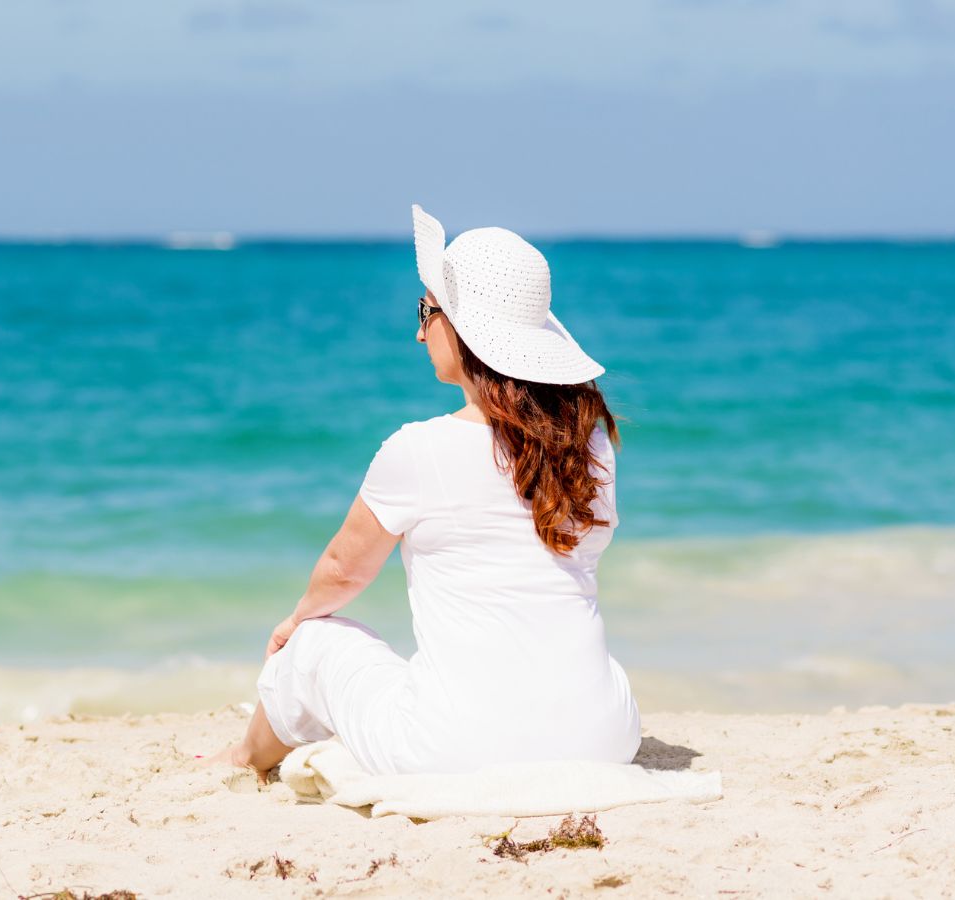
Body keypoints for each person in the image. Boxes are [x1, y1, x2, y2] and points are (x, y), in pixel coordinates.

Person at [201, 204, 641, 782]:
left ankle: (243, 758)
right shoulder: (589, 449)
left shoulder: (418, 450)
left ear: (460, 328)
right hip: (603, 738)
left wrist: (294, 624)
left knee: (313, 645)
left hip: (455, 747)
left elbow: (342, 571)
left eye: (425, 310)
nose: (418, 329)